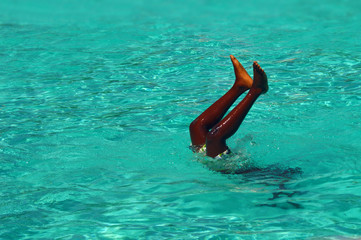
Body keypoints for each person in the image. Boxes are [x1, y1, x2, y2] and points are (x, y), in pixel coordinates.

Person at [189, 55, 268, 159]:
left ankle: (240, 86)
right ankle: (257, 90)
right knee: (214, 137)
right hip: (236, 171)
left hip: (209, 163)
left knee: (196, 127)